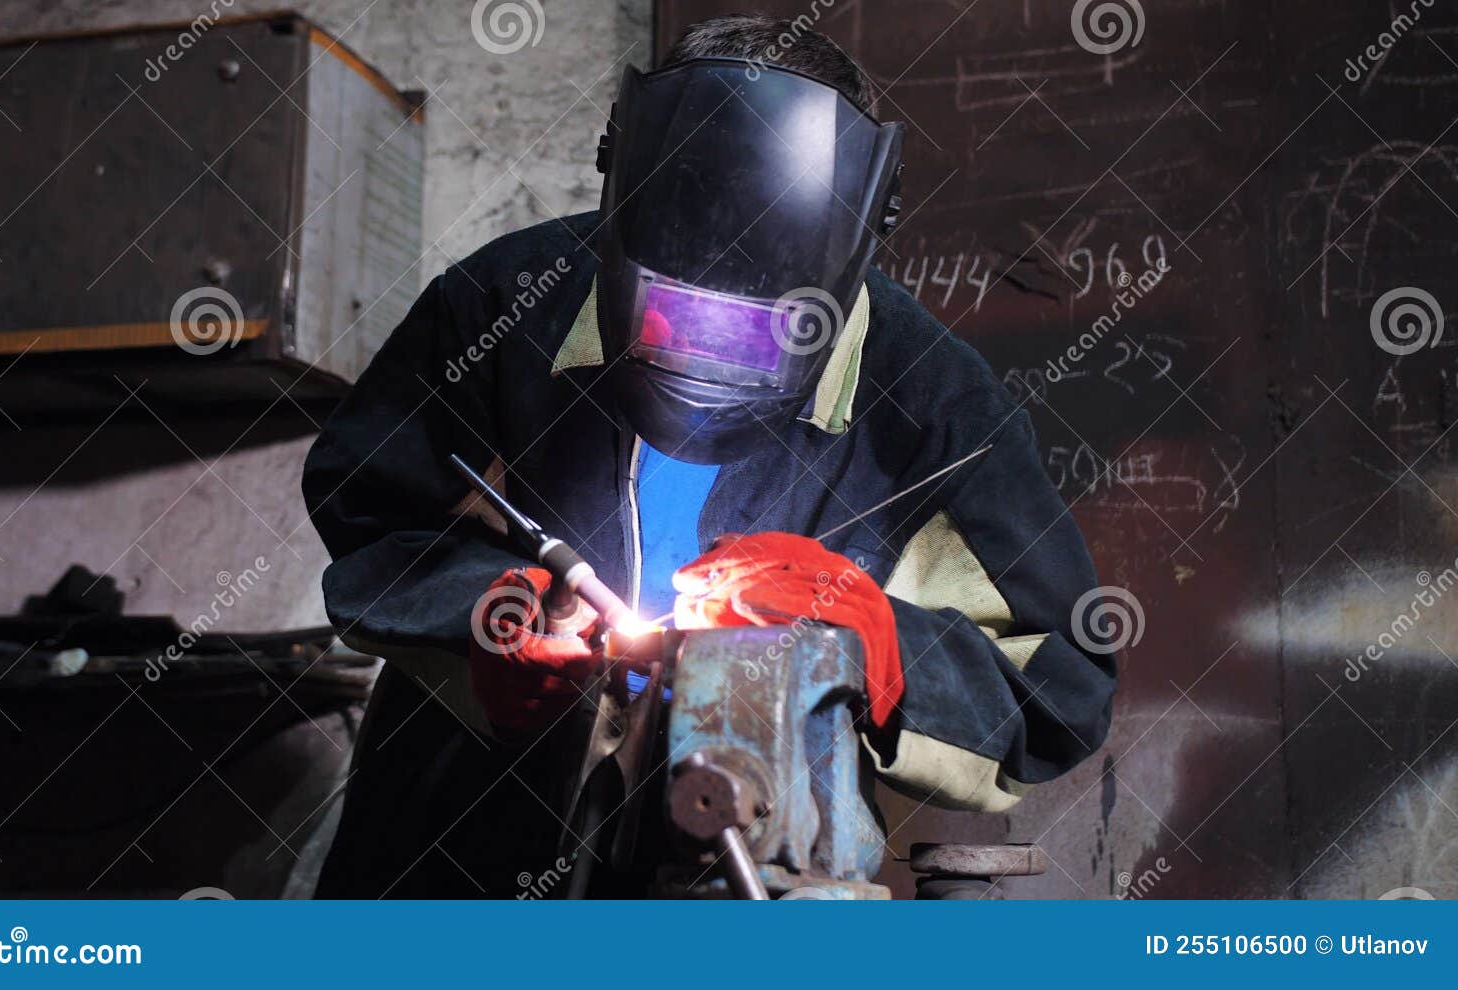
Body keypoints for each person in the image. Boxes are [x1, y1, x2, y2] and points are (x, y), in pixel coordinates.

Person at [302, 14, 1115, 898]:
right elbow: (371, 513)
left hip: (744, 862)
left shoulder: (935, 406)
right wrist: (492, 614)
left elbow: (1057, 691)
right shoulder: (503, 306)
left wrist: (880, 643)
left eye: (753, 333)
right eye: (670, 314)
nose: (704, 354)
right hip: (448, 854)